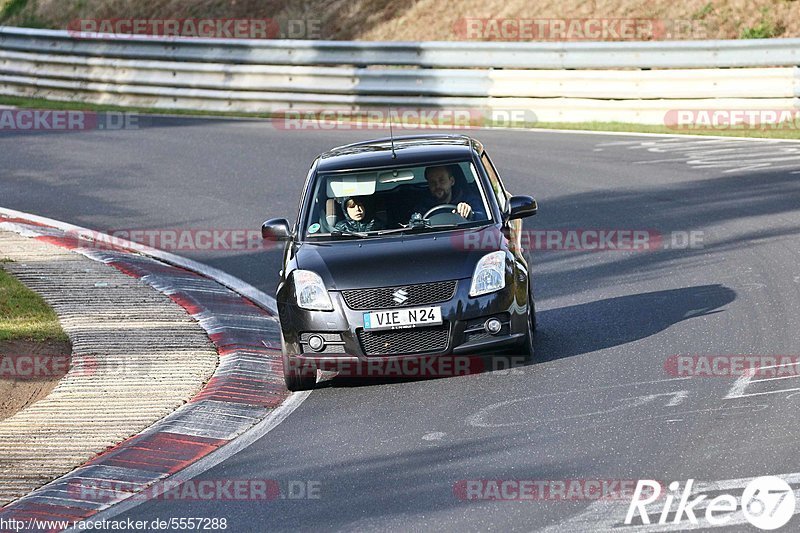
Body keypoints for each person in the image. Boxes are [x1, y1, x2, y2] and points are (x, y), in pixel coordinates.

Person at [414, 165, 485, 220]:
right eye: (432, 182)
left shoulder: (468, 199)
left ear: (452, 181)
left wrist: (470, 213)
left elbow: (485, 218)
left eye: (442, 180)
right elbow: (414, 224)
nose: (437, 185)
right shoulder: (423, 206)